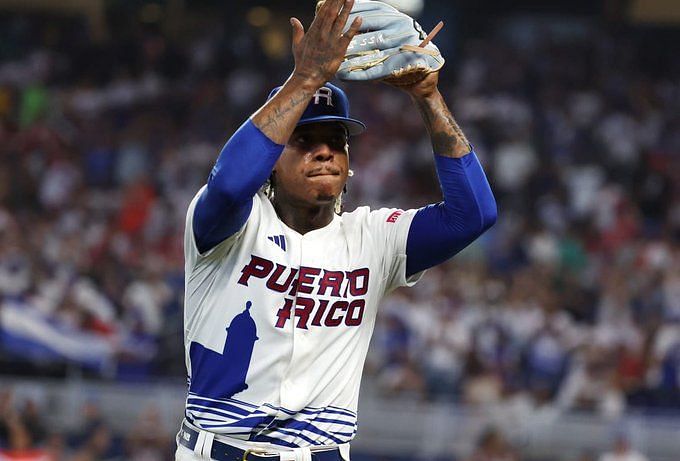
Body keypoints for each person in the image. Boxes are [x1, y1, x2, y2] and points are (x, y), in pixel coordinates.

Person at [175, 0, 496, 460]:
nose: (324, 152)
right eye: (304, 141)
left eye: (335, 142)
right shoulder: (232, 223)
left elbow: (474, 215)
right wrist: (305, 80)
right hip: (220, 449)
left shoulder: (372, 239)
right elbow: (226, 184)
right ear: (270, 163)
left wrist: (428, 98)